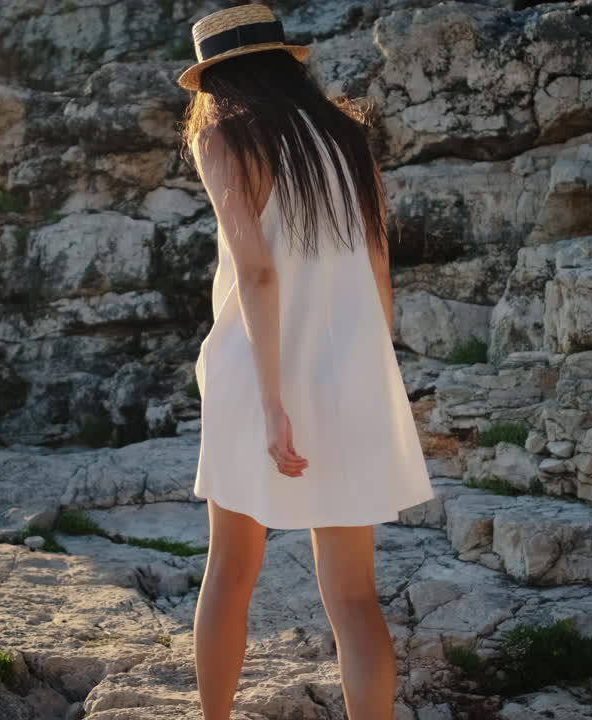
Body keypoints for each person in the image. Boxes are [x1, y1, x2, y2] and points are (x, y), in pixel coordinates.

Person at [176, 4, 437, 719]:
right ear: (284, 64)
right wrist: (370, 380)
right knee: (354, 597)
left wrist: (272, 403)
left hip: (252, 371)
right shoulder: (346, 135)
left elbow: (259, 275)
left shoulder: (225, 137)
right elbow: (379, 266)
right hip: (348, 371)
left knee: (229, 573)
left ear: (215, 80)